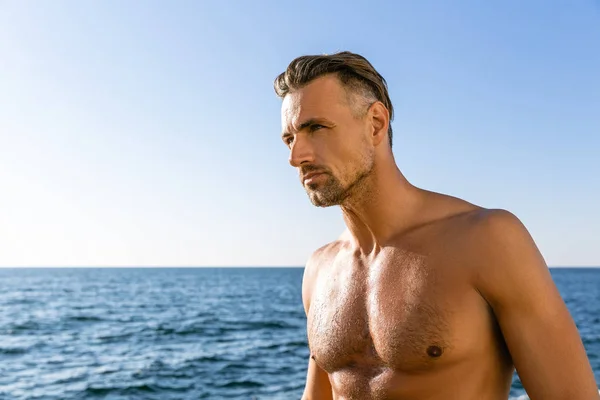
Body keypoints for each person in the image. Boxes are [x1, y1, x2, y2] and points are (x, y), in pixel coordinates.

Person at [273, 51, 599, 400]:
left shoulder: (486, 240)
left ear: (376, 123)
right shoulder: (319, 270)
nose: (297, 156)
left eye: (316, 128)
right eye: (290, 138)